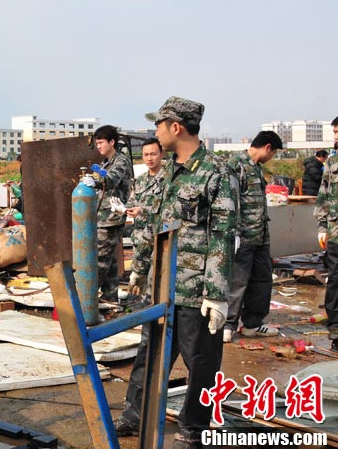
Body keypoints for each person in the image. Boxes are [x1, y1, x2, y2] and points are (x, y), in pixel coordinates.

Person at [113, 97, 235, 449]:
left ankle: (194, 429)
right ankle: (135, 415)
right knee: (149, 358)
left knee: (201, 365)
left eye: (158, 125)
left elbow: (223, 236)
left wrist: (216, 293)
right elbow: (155, 225)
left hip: (196, 292)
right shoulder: (166, 172)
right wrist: (140, 268)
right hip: (163, 287)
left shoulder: (215, 172)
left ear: (175, 127)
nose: (155, 133)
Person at [223, 131, 283, 343]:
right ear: (267, 147)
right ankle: (228, 325)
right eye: (273, 153)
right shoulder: (236, 165)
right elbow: (230, 201)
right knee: (238, 282)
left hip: (260, 236)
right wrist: (235, 233)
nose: (272, 158)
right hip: (243, 236)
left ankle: (252, 323)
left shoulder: (256, 169)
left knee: (262, 280)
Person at [82, 125, 132, 303]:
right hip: (102, 217)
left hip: (111, 218)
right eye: (97, 143)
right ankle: (110, 297)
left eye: (101, 142)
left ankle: (86, 296)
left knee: (100, 260)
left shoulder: (121, 161)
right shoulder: (105, 163)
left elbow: (111, 180)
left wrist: (95, 181)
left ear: (112, 142)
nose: (98, 146)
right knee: (109, 263)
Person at [125, 138, 165, 297]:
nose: (149, 158)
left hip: (157, 237)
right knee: (139, 280)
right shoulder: (140, 180)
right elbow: (132, 200)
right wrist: (124, 208)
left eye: (153, 154)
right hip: (139, 237)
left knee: (155, 281)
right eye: (146, 155)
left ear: (161, 154)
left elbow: (165, 207)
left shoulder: (168, 178)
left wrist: (142, 210)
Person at [315, 117, 338, 341]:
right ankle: (335, 325)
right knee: (336, 279)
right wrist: (322, 226)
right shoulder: (332, 162)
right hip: (335, 231)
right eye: (335, 132)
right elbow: (323, 194)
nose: (336, 137)